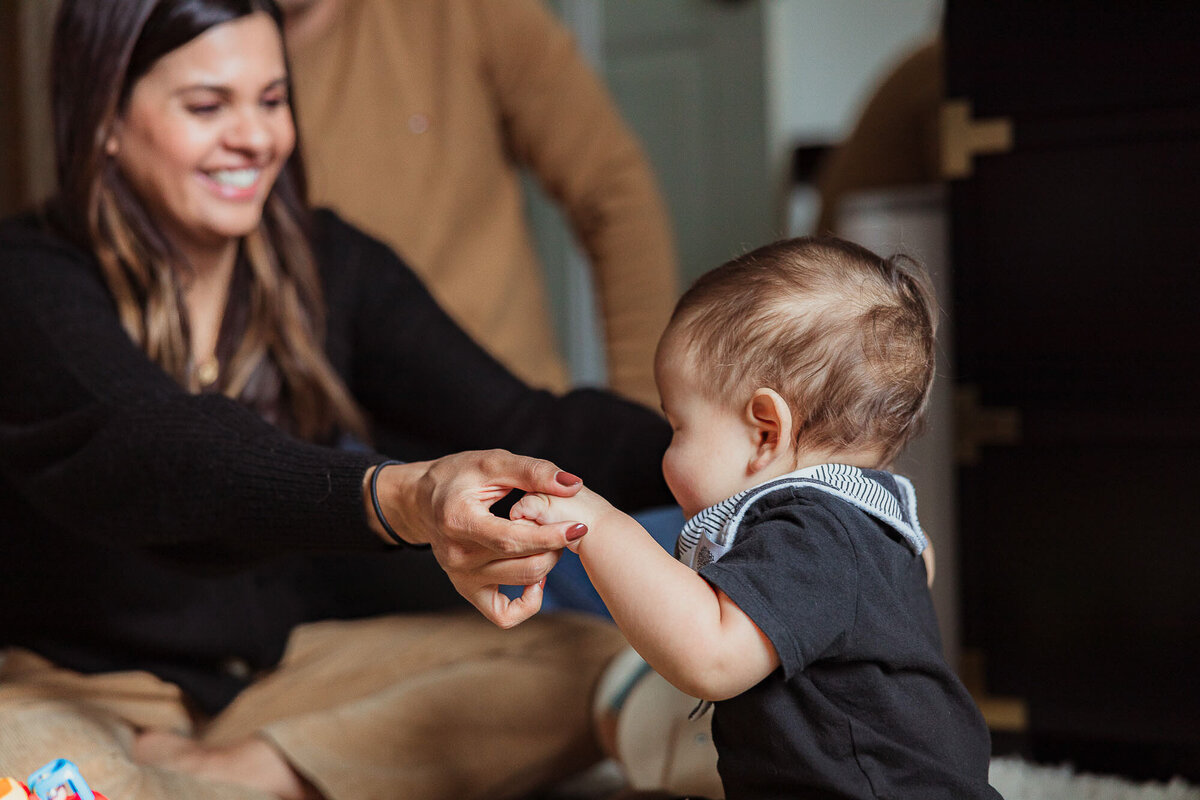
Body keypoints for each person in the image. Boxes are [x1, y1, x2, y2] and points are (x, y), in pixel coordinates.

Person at [0, 1, 676, 798]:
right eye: (208, 106)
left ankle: (256, 774)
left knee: (592, 661)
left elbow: (530, 425)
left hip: (279, 678)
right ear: (106, 117)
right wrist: (403, 497)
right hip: (79, 686)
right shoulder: (29, 279)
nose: (256, 137)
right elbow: (160, 450)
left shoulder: (331, 264)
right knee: (46, 776)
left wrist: (729, 455)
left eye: (274, 99)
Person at [511, 237, 1001, 799]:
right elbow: (921, 566)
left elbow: (711, 657)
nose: (665, 453)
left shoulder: (814, 533)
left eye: (678, 428)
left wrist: (600, 525)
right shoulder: (870, 518)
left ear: (766, 430)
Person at [278, 0, 678, 408]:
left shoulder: (465, 11)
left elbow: (611, 187)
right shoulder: (219, 42)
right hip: (328, 445)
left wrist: (646, 409)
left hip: (513, 424)